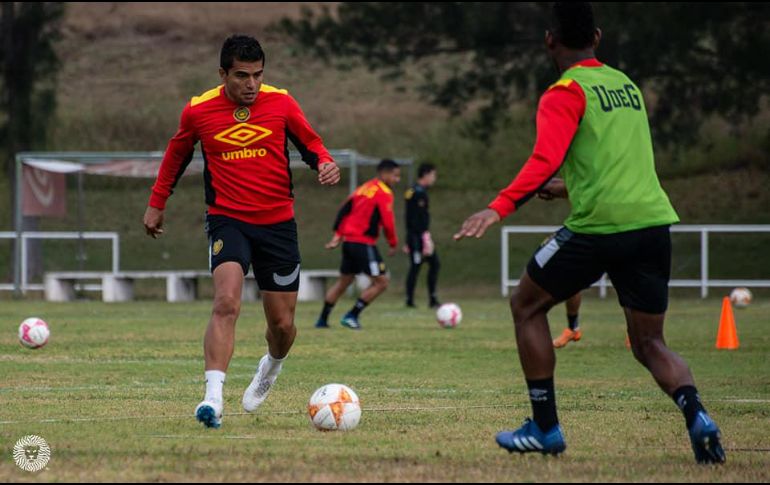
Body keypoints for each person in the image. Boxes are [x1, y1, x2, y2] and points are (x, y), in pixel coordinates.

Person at [454, 3, 724, 464]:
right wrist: (568, 189)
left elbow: (543, 161)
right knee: (649, 343)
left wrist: (497, 208)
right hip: (653, 224)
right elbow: (619, 163)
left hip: (601, 229)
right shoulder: (626, 85)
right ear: (596, 37)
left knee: (526, 304)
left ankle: (545, 429)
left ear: (549, 41)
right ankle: (698, 416)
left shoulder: (564, 92)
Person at [143, 35, 340, 429]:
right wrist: (156, 202)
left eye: (257, 75)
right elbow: (176, 155)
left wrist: (324, 162)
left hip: (278, 224)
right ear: (223, 74)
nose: (251, 84)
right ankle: (212, 399)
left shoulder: (281, 102)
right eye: (241, 76)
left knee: (282, 327)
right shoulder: (198, 111)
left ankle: (271, 366)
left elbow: (310, 142)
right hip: (227, 219)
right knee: (226, 302)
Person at [315, 159, 400, 330]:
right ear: (384, 174)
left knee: (344, 281)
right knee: (381, 282)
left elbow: (345, 209)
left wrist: (338, 235)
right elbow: (388, 221)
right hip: (363, 243)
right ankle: (352, 315)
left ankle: (322, 320)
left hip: (349, 242)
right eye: (395, 175)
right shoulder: (384, 192)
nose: (397, 180)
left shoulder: (364, 188)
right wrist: (393, 242)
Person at [404, 163, 441, 308]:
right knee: (416, 266)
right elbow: (413, 219)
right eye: (433, 175)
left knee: (434, 264)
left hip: (421, 236)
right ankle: (410, 300)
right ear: (426, 174)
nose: (434, 179)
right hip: (416, 238)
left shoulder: (414, 191)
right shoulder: (417, 192)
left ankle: (432, 298)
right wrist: (418, 239)